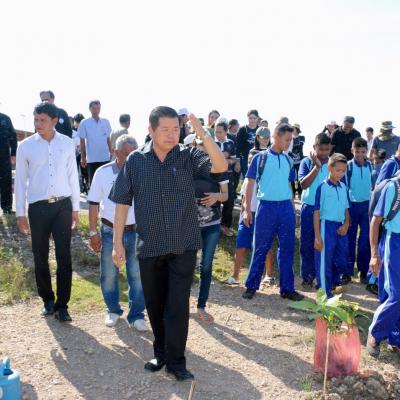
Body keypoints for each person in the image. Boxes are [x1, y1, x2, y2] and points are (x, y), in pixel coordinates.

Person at [109, 107, 227, 381]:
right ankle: (160, 353)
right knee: (155, 305)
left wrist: (203, 133)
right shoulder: (136, 161)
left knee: (177, 305)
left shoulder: (188, 156)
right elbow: (122, 203)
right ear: (151, 131)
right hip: (149, 246)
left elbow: (220, 166)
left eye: (177, 129)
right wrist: (117, 243)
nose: (173, 135)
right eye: (166, 129)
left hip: (182, 245)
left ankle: (176, 362)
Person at [15, 102, 80, 322]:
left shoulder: (67, 143)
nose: (38, 124)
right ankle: (48, 300)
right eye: (36, 119)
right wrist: (20, 214)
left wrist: (75, 208)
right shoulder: (25, 146)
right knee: (40, 256)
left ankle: (63, 305)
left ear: (54, 121)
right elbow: (20, 182)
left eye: (42, 120)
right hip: (38, 208)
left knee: (64, 256)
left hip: (63, 206)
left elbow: (73, 176)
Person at [87, 135, 147, 331]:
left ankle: (137, 315)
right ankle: (113, 310)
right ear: (115, 153)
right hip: (109, 231)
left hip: (136, 231)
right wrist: (93, 232)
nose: (130, 158)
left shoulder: (143, 172)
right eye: (126, 154)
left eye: (134, 154)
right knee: (109, 274)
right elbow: (93, 203)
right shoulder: (102, 173)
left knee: (137, 275)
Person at [241, 123, 303, 301]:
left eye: (291, 140)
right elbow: (250, 183)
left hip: (285, 209)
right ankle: (251, 286)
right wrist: (246, 210)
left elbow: (289, 186)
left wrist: (292, 209)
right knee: (260, 247)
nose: (289, 143)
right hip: (266, 207)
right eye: (286, 140)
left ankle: (287, 289)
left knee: (287, 249)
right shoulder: (260, 158)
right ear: (276, 137)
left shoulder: (289, 160)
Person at [225, 149, 275, 286]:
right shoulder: (247, 179)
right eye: (249, 160)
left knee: (265, 246)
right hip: (247, 215)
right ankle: (235, 275)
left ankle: (269, 275)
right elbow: (243, 199)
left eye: (253, 160)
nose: (250, 162)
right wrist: (242, 215)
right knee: (241, 245)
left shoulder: (268, 178)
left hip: (263, 215)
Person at [367, 175, 400, 357]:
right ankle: (375, 332)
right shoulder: (393, 187)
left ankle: (395, 338)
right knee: (396, 294)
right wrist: (374, 255)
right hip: (394, 241)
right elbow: (375, 221)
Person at [194, 164, 228, 325]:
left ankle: (201, 306)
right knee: (184, 265)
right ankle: (179, 304)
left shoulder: (219, 166)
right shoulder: (186, 163)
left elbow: (226, 195)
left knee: (206, 266)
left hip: (212, 224)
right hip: (188, 226)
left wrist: (216, 196)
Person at [314, 153, 350, 298]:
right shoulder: (322, 187)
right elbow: (316, 213)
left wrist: (346, 224)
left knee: (340, 259)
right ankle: (324, 293)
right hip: (326, 227)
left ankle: (333, 285)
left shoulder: (343, 187)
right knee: (325, 260)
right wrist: (318, 237)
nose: (341, 173)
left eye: (343, 171)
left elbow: (346, 209)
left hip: (340, 227)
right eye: (338, 170)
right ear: (330, 168)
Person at [298, 133, 331, 288]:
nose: (324, 153)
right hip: (309, 208)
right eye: (321, 149)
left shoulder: (332, 163)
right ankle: (307, 276)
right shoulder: (306, 162)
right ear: (314, 147)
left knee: (325, 243)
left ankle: (322, 277)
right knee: (307, 243)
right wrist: (316, 167)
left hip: (327, 210)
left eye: (327, 149)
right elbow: (303, 184)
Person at [344, 138, 373, 285]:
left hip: (367, 207)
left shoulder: (371, 166)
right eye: (357, 152)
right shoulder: (348, 167)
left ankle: (363, 271)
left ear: (366, 151)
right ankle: (347, 272)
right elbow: (345, 189)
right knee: (349, 239)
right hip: (352, 207)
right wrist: (347, 210)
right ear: (352, 151)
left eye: (363, 152)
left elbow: (373, 187)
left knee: (365, 241)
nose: (360, 155)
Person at [78, 100, 112, 185]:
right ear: (90, 109)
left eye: (98, 108)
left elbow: (108, 138)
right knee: (93, 183)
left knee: (106, 183)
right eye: (94, 108)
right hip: (92, 159)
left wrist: (111, 152)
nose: (96, 110)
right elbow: (82, 141)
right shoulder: (84, 122)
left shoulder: (106, 121)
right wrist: (83, 157)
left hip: (105, 158)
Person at [214, 121, 239, 237]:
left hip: (228, 175)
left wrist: (227, 160)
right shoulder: (212, 143)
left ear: (226, 132)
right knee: (215, 201)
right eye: (216, 132)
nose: (218, 134)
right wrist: (223, 157)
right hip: (214, 176)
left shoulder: (231, 143)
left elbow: (234, 160)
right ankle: (214, 226)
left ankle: (225, 226)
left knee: (229, 201)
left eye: (220, 132)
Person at [0, 112, 17, 214]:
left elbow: (13, 136)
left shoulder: (5, 118)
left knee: (6, 181)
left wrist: (14, 153)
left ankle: (7, 208)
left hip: (4, 155)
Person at [236, 109, 260, 176]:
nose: (252, 120)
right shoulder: (242, 129)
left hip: (258, 158)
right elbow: (238, 147)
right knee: (247, 178)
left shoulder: (260, 129)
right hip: (245, 159)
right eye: (250, 118)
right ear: (248, 118)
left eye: (254, 118)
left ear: (257, 118)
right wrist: (238, 162)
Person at [290, 123, 305, 198]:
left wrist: (291, 142)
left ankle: (300, 193)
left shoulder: (302, 137)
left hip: (299, 161)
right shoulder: (289, 137)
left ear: (297, 130)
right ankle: (293, 192)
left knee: (300, 177)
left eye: (294, 128)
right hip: (291, 161)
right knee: (292, 177)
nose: (292, 129)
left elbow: (299, 144)